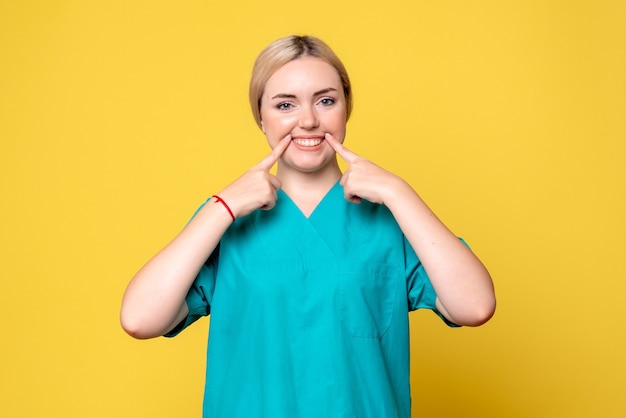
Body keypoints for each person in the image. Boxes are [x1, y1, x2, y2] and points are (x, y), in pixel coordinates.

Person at [120, 35, 496, 418]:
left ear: (345, 108)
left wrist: (399, 192)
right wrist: (223, 206)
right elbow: (139, 319)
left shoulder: (391, 219)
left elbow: (475, 306)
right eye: (285, 105)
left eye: (326, 100)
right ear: (261, 118)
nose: (308, 120)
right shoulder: (225, 222)